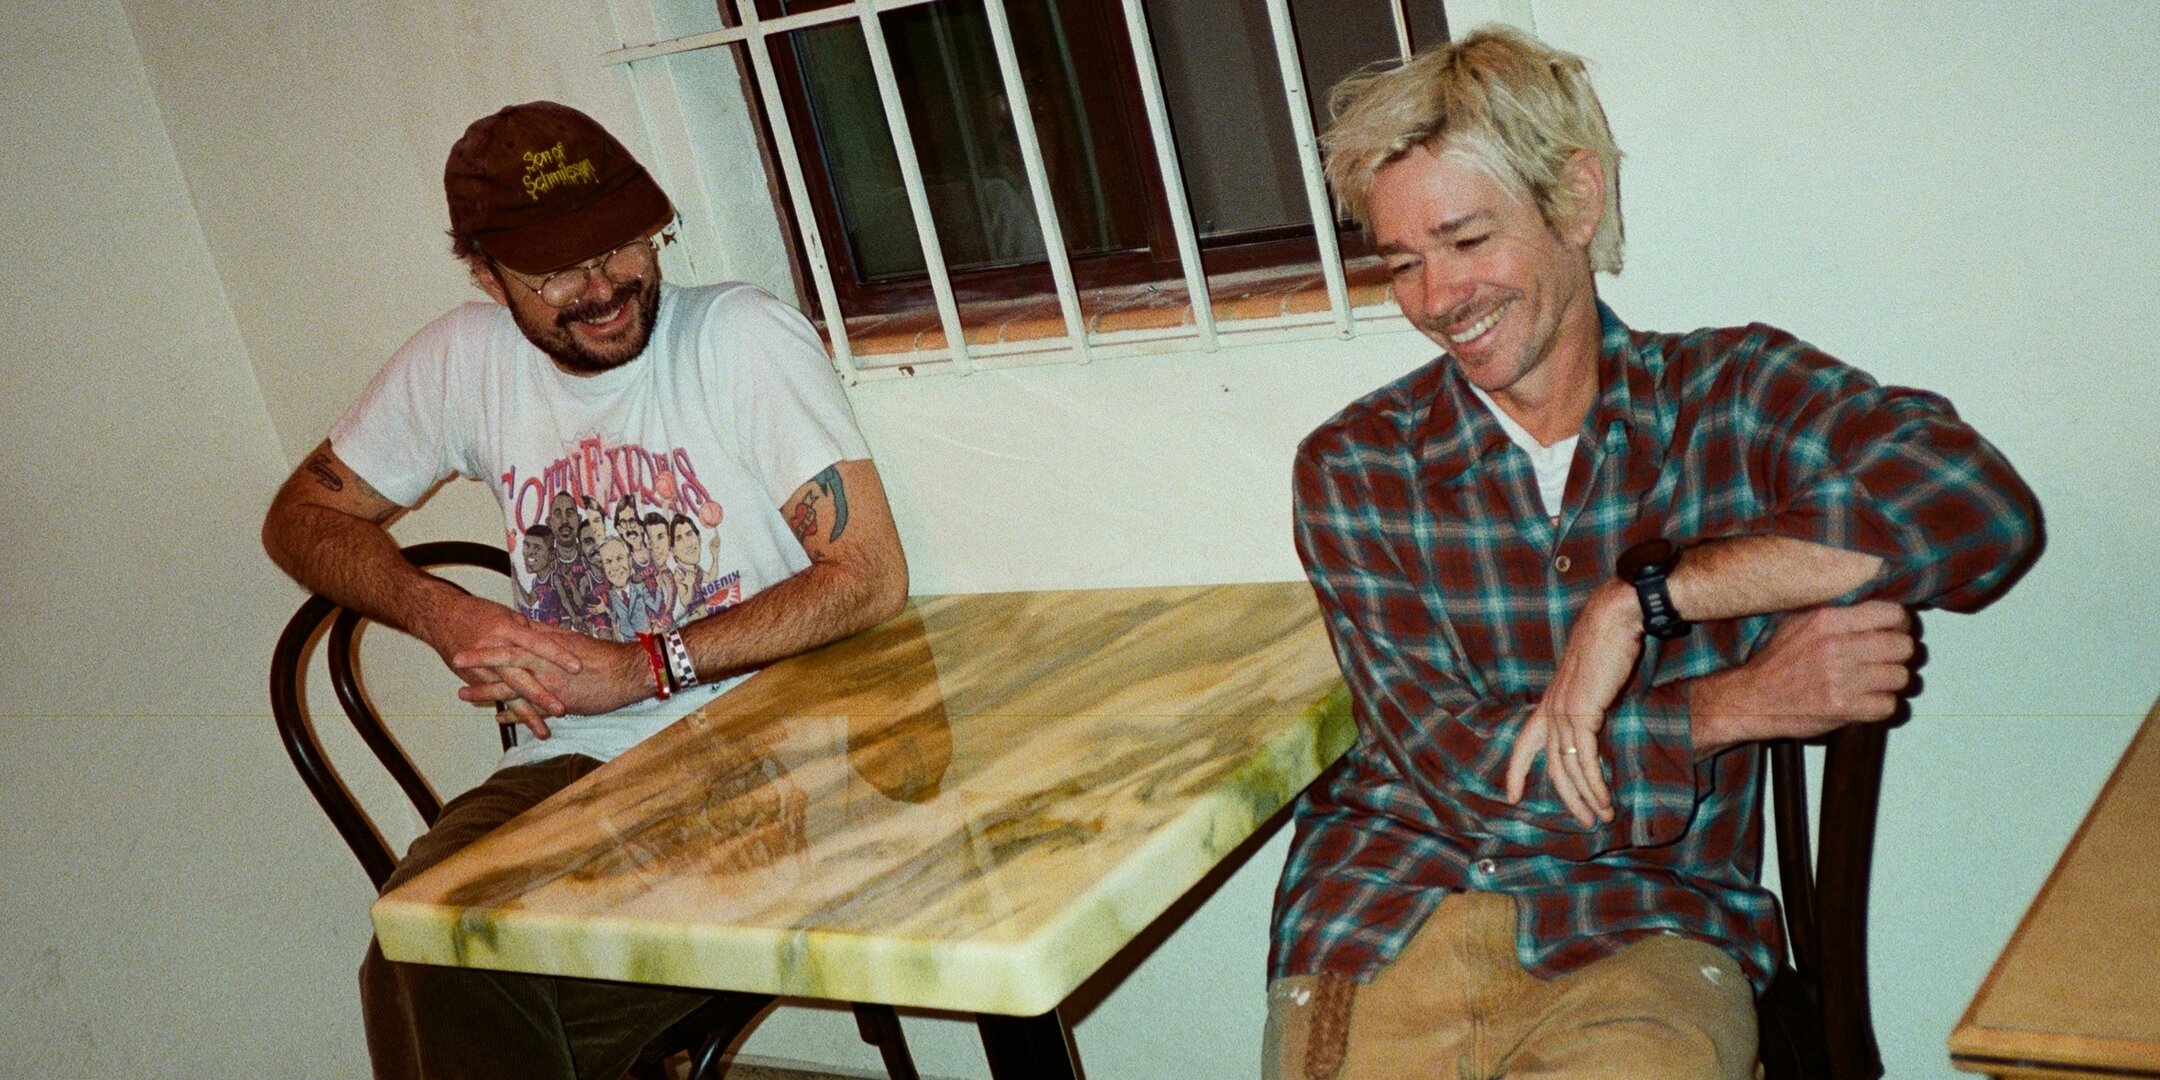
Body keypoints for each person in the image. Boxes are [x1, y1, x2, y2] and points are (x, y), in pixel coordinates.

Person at [1267, 26, 2039, 1080]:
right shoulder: (1355, 465)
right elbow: (1474, 783)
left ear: (1576, 201)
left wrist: (1647, 597)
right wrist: (1734, 707)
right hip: (1384, 915)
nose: (1438, 299)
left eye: (1467, 239)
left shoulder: (1729, 395)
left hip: (1645, 925)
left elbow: (1983, 511)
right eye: (1404, 262)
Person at [260, 100, 908, 1080]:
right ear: (487, 276)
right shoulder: (462, 361)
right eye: (555, 271)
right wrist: (444, 612)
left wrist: (641, 668)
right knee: (420, 942)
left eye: (619, 246)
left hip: (772, 750)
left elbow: (870, 577)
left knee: (487, 994)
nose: (602, 288)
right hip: (571, 767)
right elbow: (299, 517)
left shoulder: (738, 338)